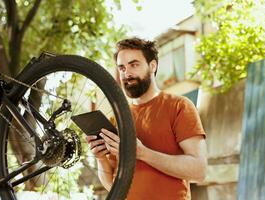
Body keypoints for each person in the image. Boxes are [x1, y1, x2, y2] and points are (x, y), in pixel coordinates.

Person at [86, 37, 207, 200]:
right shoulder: (116, 119)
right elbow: (113, 186)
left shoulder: (179, 106)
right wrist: (101, 159)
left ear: (153, 66)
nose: (126, 73)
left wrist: (142, 153)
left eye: (134, 65)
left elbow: (199, 171)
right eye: (121, 68)